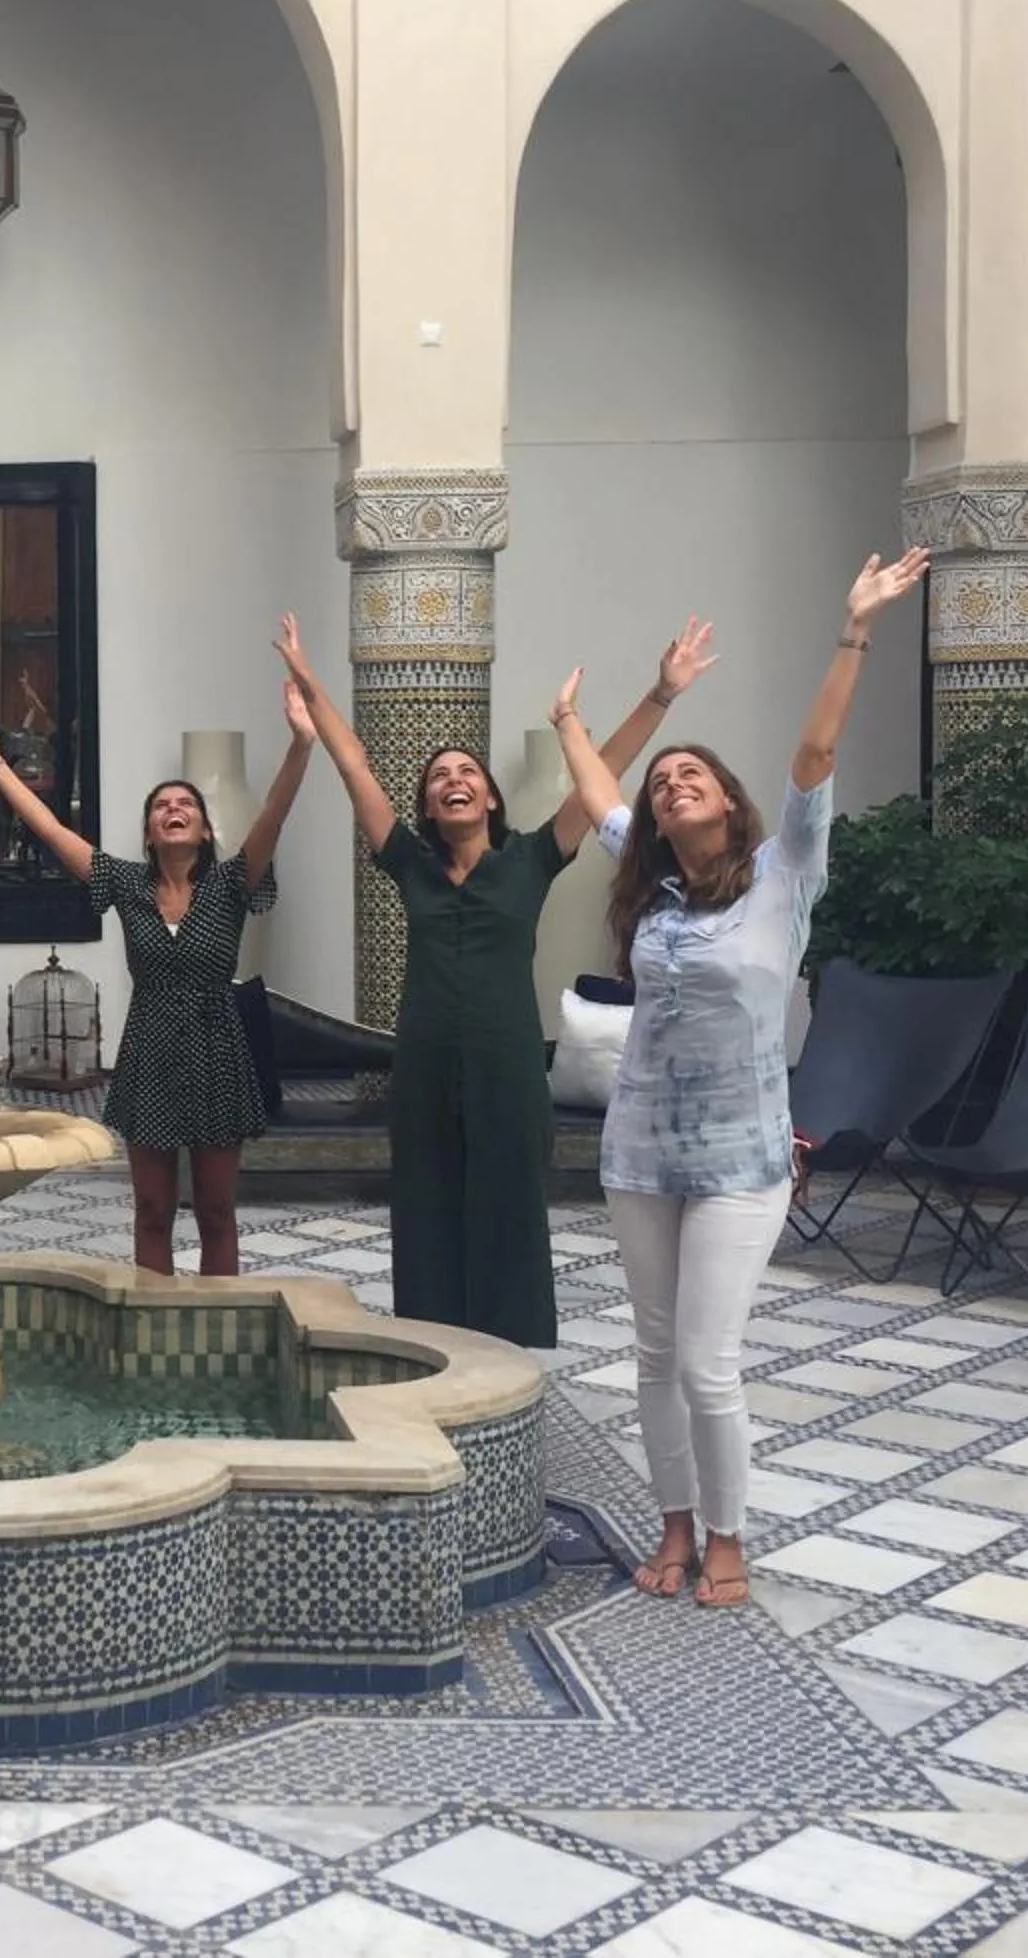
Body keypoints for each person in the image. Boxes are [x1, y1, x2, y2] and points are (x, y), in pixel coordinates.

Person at [554, 549, 928, 1610]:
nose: (673, 785)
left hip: (744, 1159)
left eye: (693, 775)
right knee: (655, 1352)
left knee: (711, 1362)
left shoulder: (782, 877)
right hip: (640, 1151)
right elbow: (596, 799)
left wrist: (853, 629)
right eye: (665, 783)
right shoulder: (657, 889)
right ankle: (671, 1526)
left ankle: (728, 1537)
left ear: (729, 799)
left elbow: (814, 751)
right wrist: (573, 727)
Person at [279, 616, 716, 1349]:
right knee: (425, 1202)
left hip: (508, 1066)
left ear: (489, 801)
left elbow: (601, 771)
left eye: (467, 775)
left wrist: (661, 694)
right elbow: (354, 764)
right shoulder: (408, 863)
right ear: (426, 808)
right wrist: (308, 680)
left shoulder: (532, 859)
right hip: (423, 1065)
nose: (454, 782)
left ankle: (510, 1354)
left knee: (509, 1206)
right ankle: (433, 1346)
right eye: (439, 778)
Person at [0, 634, 318, 1274]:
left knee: (216, 1210)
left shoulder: (232, 881)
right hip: (150, 1048)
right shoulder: (126, 883)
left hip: (219, 1049)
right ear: (150, 832)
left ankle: (220, 1329)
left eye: (186, 805)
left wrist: (302, 743)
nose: (174, 811)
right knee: (152, 1210)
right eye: (162, 807)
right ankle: (153, 1329)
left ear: (207, 829)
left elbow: (274, 812)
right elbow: (51, 831)